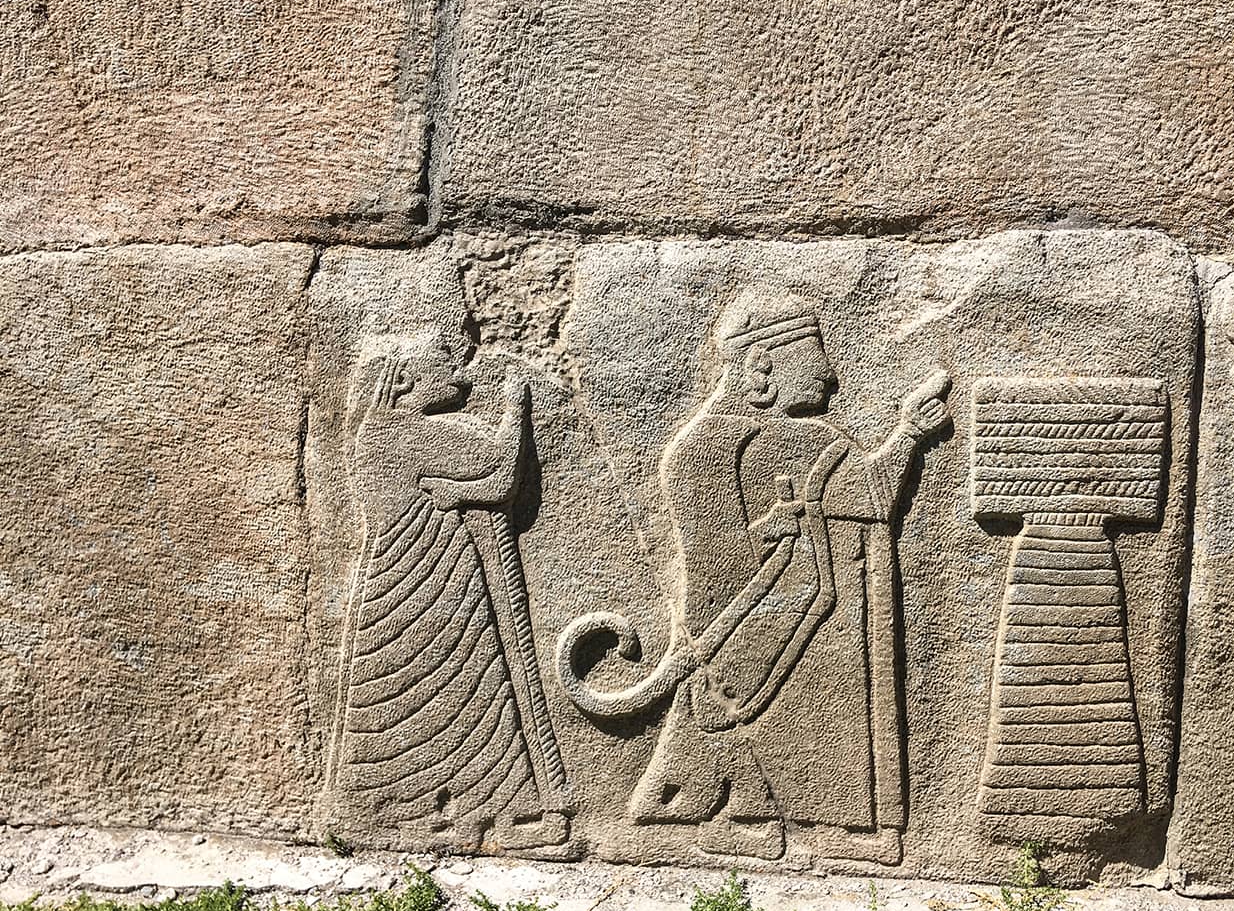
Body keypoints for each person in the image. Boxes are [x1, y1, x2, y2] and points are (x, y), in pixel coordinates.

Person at [561, 290, 948, 863]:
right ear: (762, 368)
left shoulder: (699, 446)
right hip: (780, 622)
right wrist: (910, 434)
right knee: (753, 718)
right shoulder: (770, 443)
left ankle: (718, 810)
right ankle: (769, 818)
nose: (830, 377)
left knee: (729, 718)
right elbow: (869, 497)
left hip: (762, 623)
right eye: (814, 358)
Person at [327, 334, 569, 852]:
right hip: (430, 581)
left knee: (428, 689)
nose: (460, 376)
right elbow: (500, 469)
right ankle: (475, 808)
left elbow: (489, 483)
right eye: (446, 368)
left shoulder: (380, 431)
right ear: (409, 382)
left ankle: (439, 809)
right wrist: (516, 405)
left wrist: (460, 492)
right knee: (462, 685)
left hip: (407, 578)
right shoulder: (403, 434)